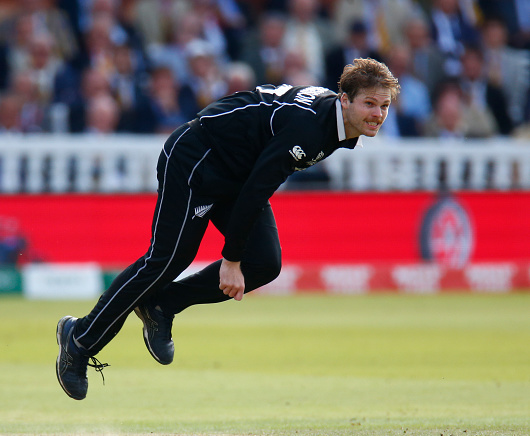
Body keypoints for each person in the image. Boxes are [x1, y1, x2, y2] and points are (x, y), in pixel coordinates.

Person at [55, 57, 400, 400]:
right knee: (167, 260)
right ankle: (79, 339)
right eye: (369, 103)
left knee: (264, 262)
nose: (378, 114)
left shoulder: (333, 120)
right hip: (197, 157)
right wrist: (230, 260)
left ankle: (161, 305)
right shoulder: (309, 129)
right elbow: (256, 190)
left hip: (235, 170)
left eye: (384, 106)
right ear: (344, 99)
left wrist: (239, 256)